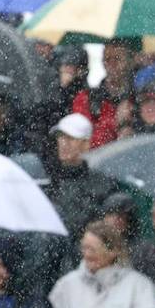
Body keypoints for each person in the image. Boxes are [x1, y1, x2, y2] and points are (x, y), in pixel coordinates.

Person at [44, 113, 118, 270]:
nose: (63, 144)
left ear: (86, 144)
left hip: (85, 264)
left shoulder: (102, 184)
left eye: (70, 139)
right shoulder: (47, 179)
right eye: (61, 137)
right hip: (51, 264)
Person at [71, 40, 135, 148]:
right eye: (107, 59)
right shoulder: (86, 98)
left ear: (130, 62)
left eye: (117, 59)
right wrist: (115, 123)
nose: (112, 64)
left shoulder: (141, 97)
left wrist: (129, 124)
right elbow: (80, 141)